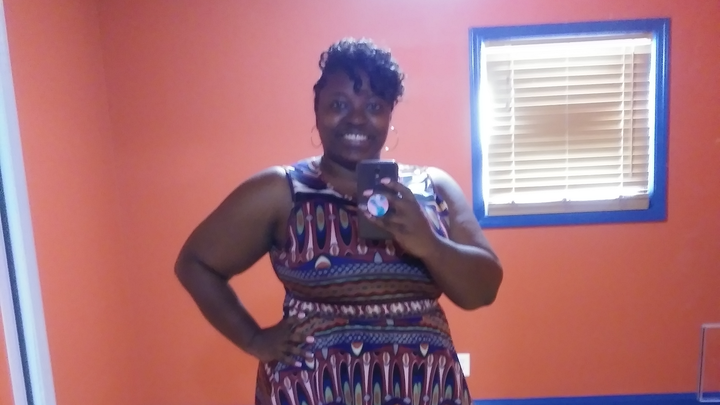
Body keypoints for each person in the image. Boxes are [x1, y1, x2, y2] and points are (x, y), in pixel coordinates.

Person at [174, 37, 503, 405]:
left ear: (390, 114)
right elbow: (195, 263)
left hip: (422, 387)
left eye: (374, 106)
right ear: (317, 109)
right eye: (339, 104)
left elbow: (484, 291)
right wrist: (253, 339)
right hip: (312, 389)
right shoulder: (282, 191)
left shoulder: (433, 188)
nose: (357, 118)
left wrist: (431, 245)